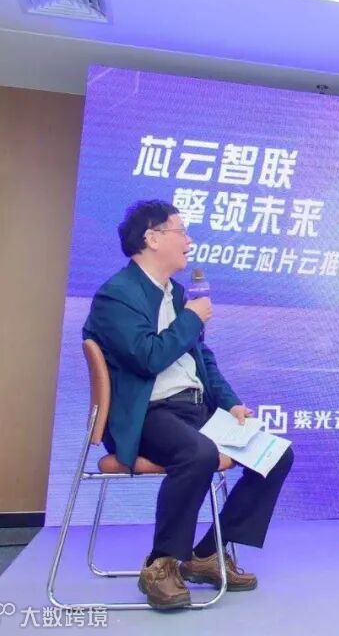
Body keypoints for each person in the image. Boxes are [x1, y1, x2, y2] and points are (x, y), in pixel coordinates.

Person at [83, 200, 294, 610]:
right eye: (181, 231)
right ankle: (160, 564)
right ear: (152, 237)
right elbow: (148, 357)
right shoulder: (116, 295)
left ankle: (206, 554)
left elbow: (203, 360)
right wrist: (192, 318)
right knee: (198, 453)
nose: (189, 241)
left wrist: (230, 404)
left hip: (195, 410)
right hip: (148, 414)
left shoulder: (177, 294)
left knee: (276, 455)